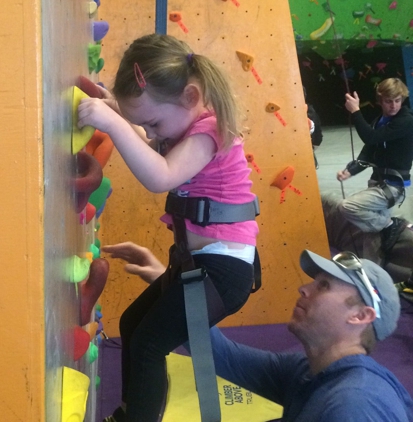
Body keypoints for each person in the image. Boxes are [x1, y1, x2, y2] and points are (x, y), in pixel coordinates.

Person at [78, 33, 259, 422]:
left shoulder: (210, 132)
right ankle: (131, 412)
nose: (153, 132)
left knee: (148, 343)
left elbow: (161, 176)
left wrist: (113, 122)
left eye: (155, 122)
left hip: (223, 271)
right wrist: (121, 115)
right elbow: (146, 138)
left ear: (190, 98)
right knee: (133, 325)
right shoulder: (182, 127)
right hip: (198, 264)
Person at [103, 243, 413, 421]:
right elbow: (223, 357)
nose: (304, 289)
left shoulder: (354, 405)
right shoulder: (311, 372)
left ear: (361, 315)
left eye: (323, 286)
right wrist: (174, 289)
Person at [337, 78, 413, 253]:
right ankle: (374, 271)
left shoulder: (406, 121)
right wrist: (351, 170)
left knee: (348, 206)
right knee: (373, 238)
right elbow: (369, 149)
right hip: (378, 182)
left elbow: (370, 137)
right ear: (380, 101)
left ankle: (391, 224)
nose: (393, 106)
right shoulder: (380, 120)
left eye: (397, 101)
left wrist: (356, 112)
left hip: (394, 186)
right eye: (388, 101)